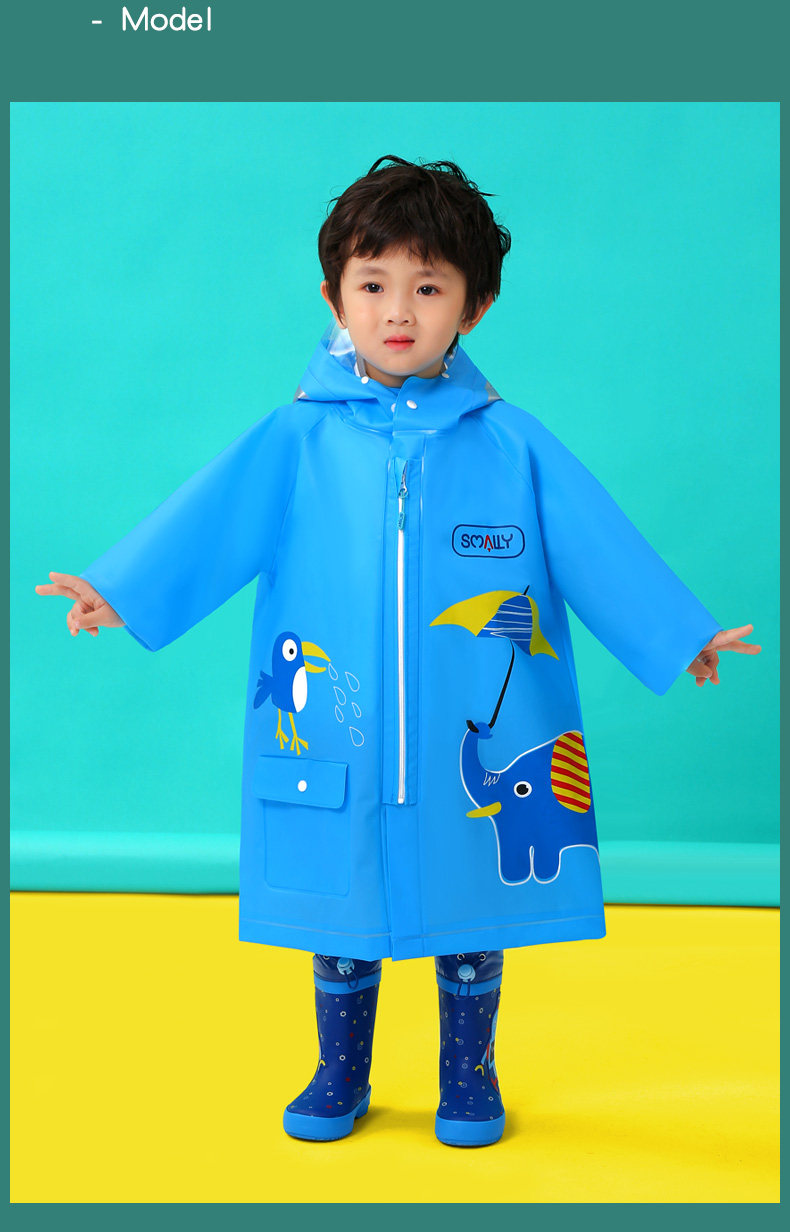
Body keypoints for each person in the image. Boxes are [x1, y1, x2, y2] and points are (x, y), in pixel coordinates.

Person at [35, 155, 760, 1148]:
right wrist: (120, 590)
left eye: (428, 288)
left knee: (474, 900)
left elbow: (596, 543)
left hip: (476, 726)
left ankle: (469, 1073)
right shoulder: (296, 439)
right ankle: (340, 1070)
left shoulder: (510, 444)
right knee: (342, 902)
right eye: (373, 285)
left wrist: (678, 635)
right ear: (333, 296)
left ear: (475, 306)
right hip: (343, 733)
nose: (398, 311)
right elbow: (208, 523)